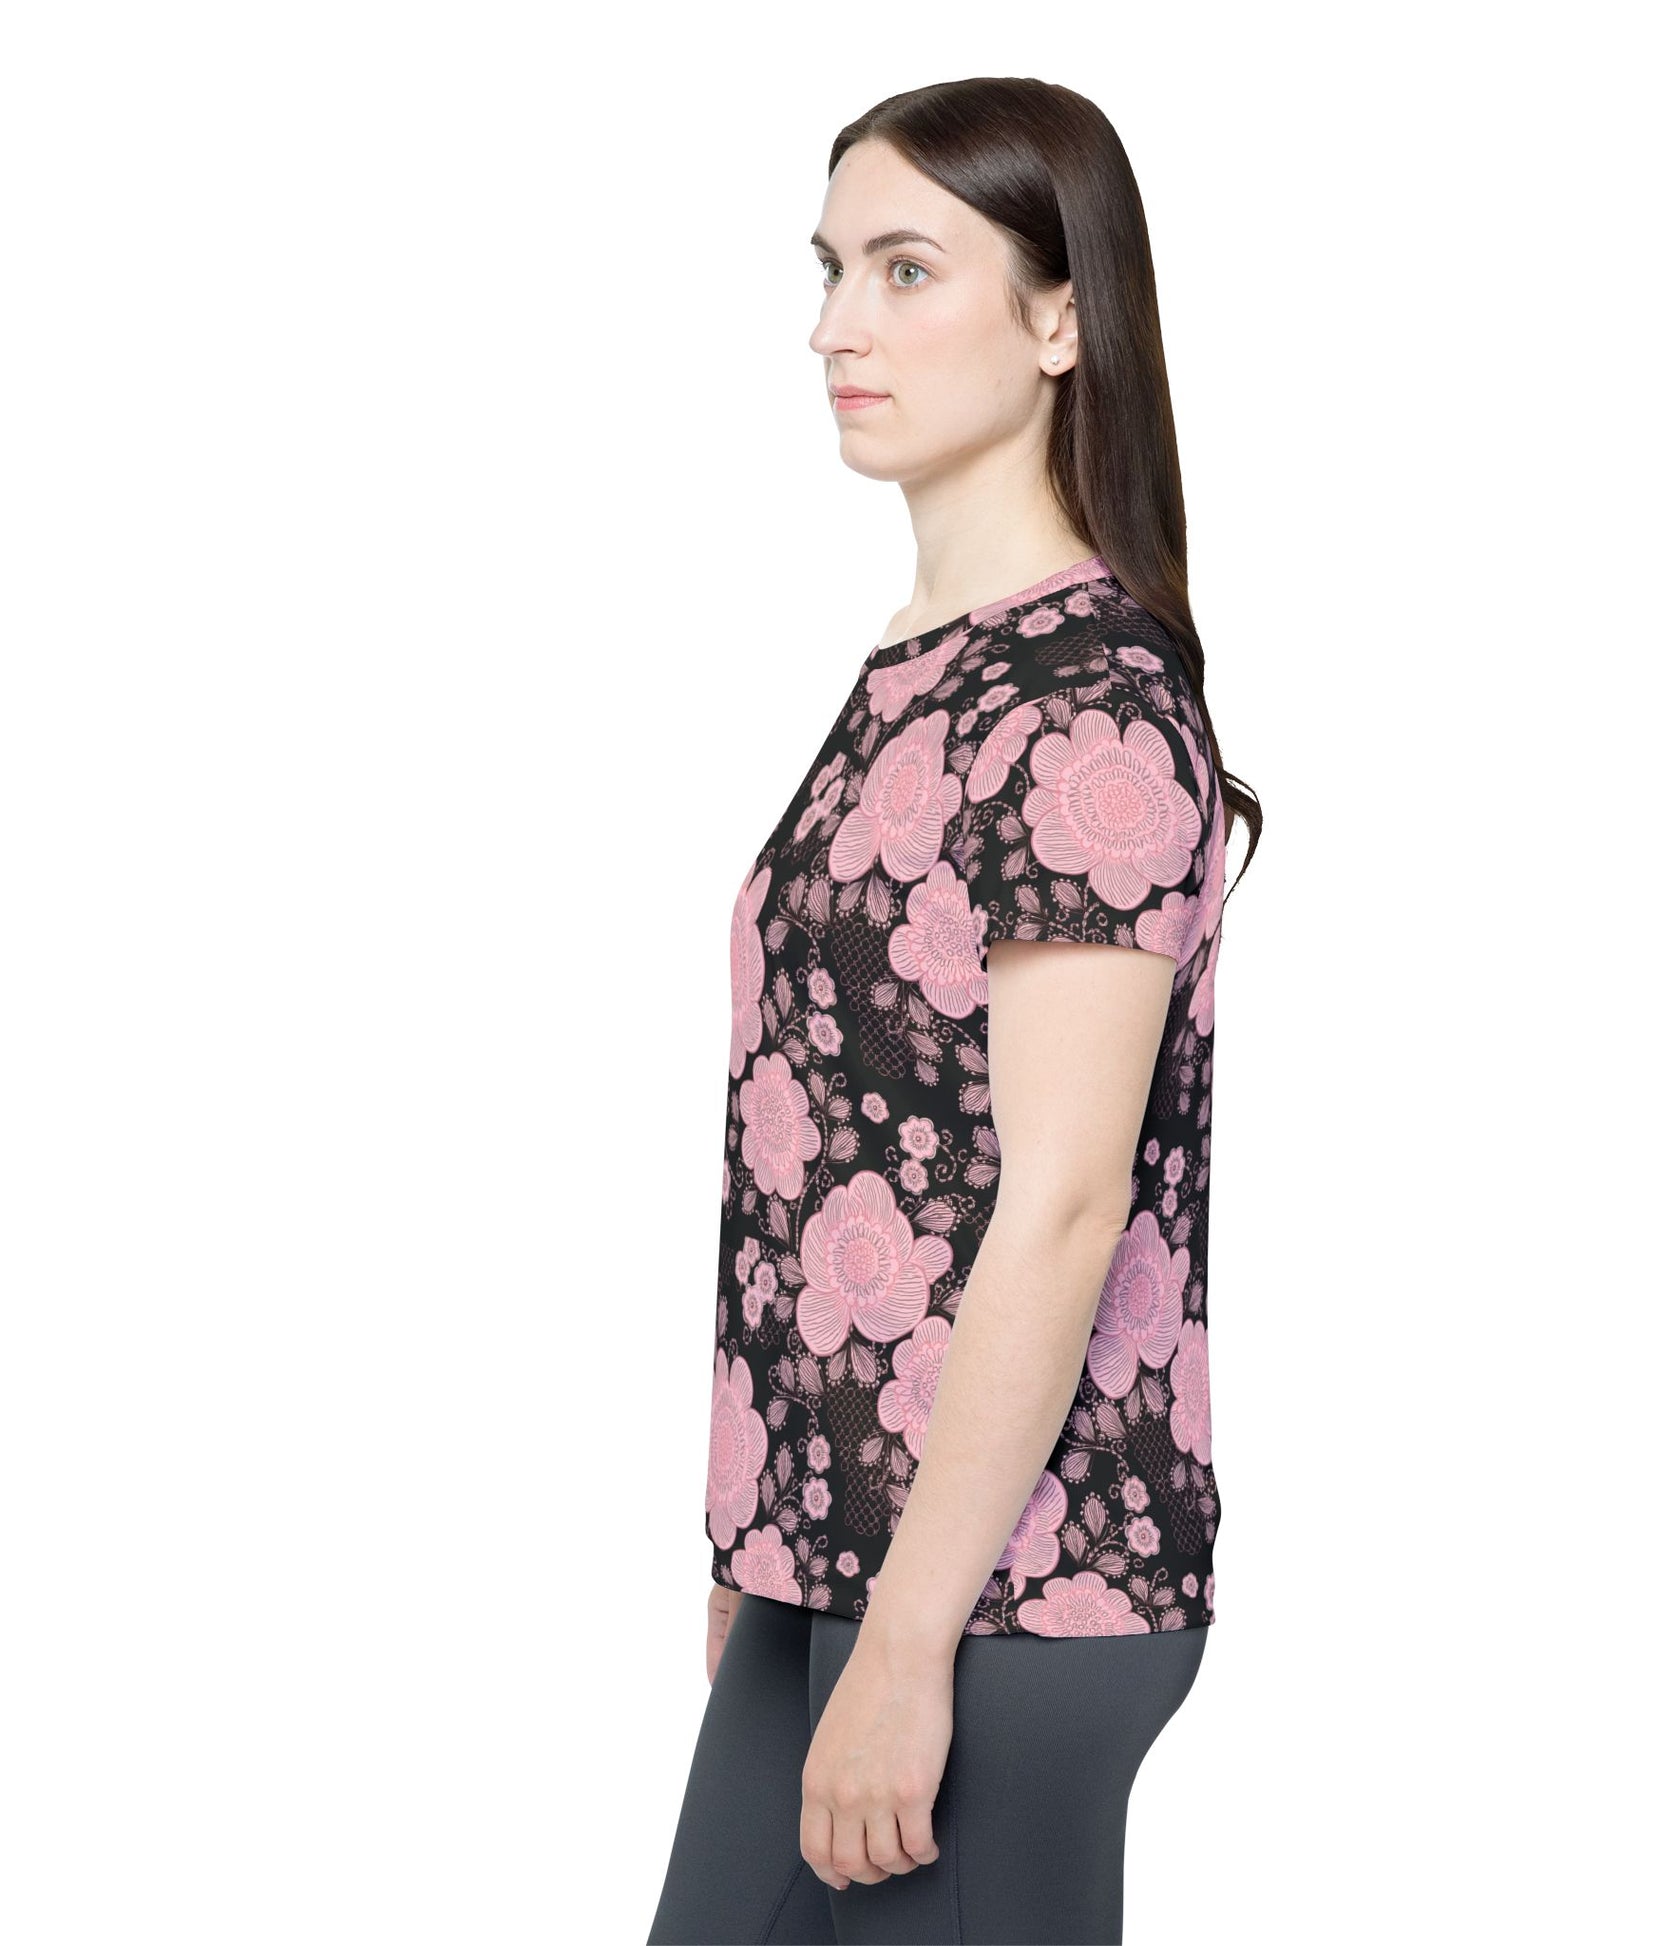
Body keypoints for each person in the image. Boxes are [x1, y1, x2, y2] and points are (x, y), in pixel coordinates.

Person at [648, 76, 1262, 1946]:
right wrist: (768, 1534)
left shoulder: (1081, 705)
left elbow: (1060, 1203)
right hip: (846, 1552)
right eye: (830, 269)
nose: (837, 326)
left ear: (1061, 317)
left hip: (1011, 1584)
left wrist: (905, 1639)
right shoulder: (923, 672)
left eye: (907, 270)